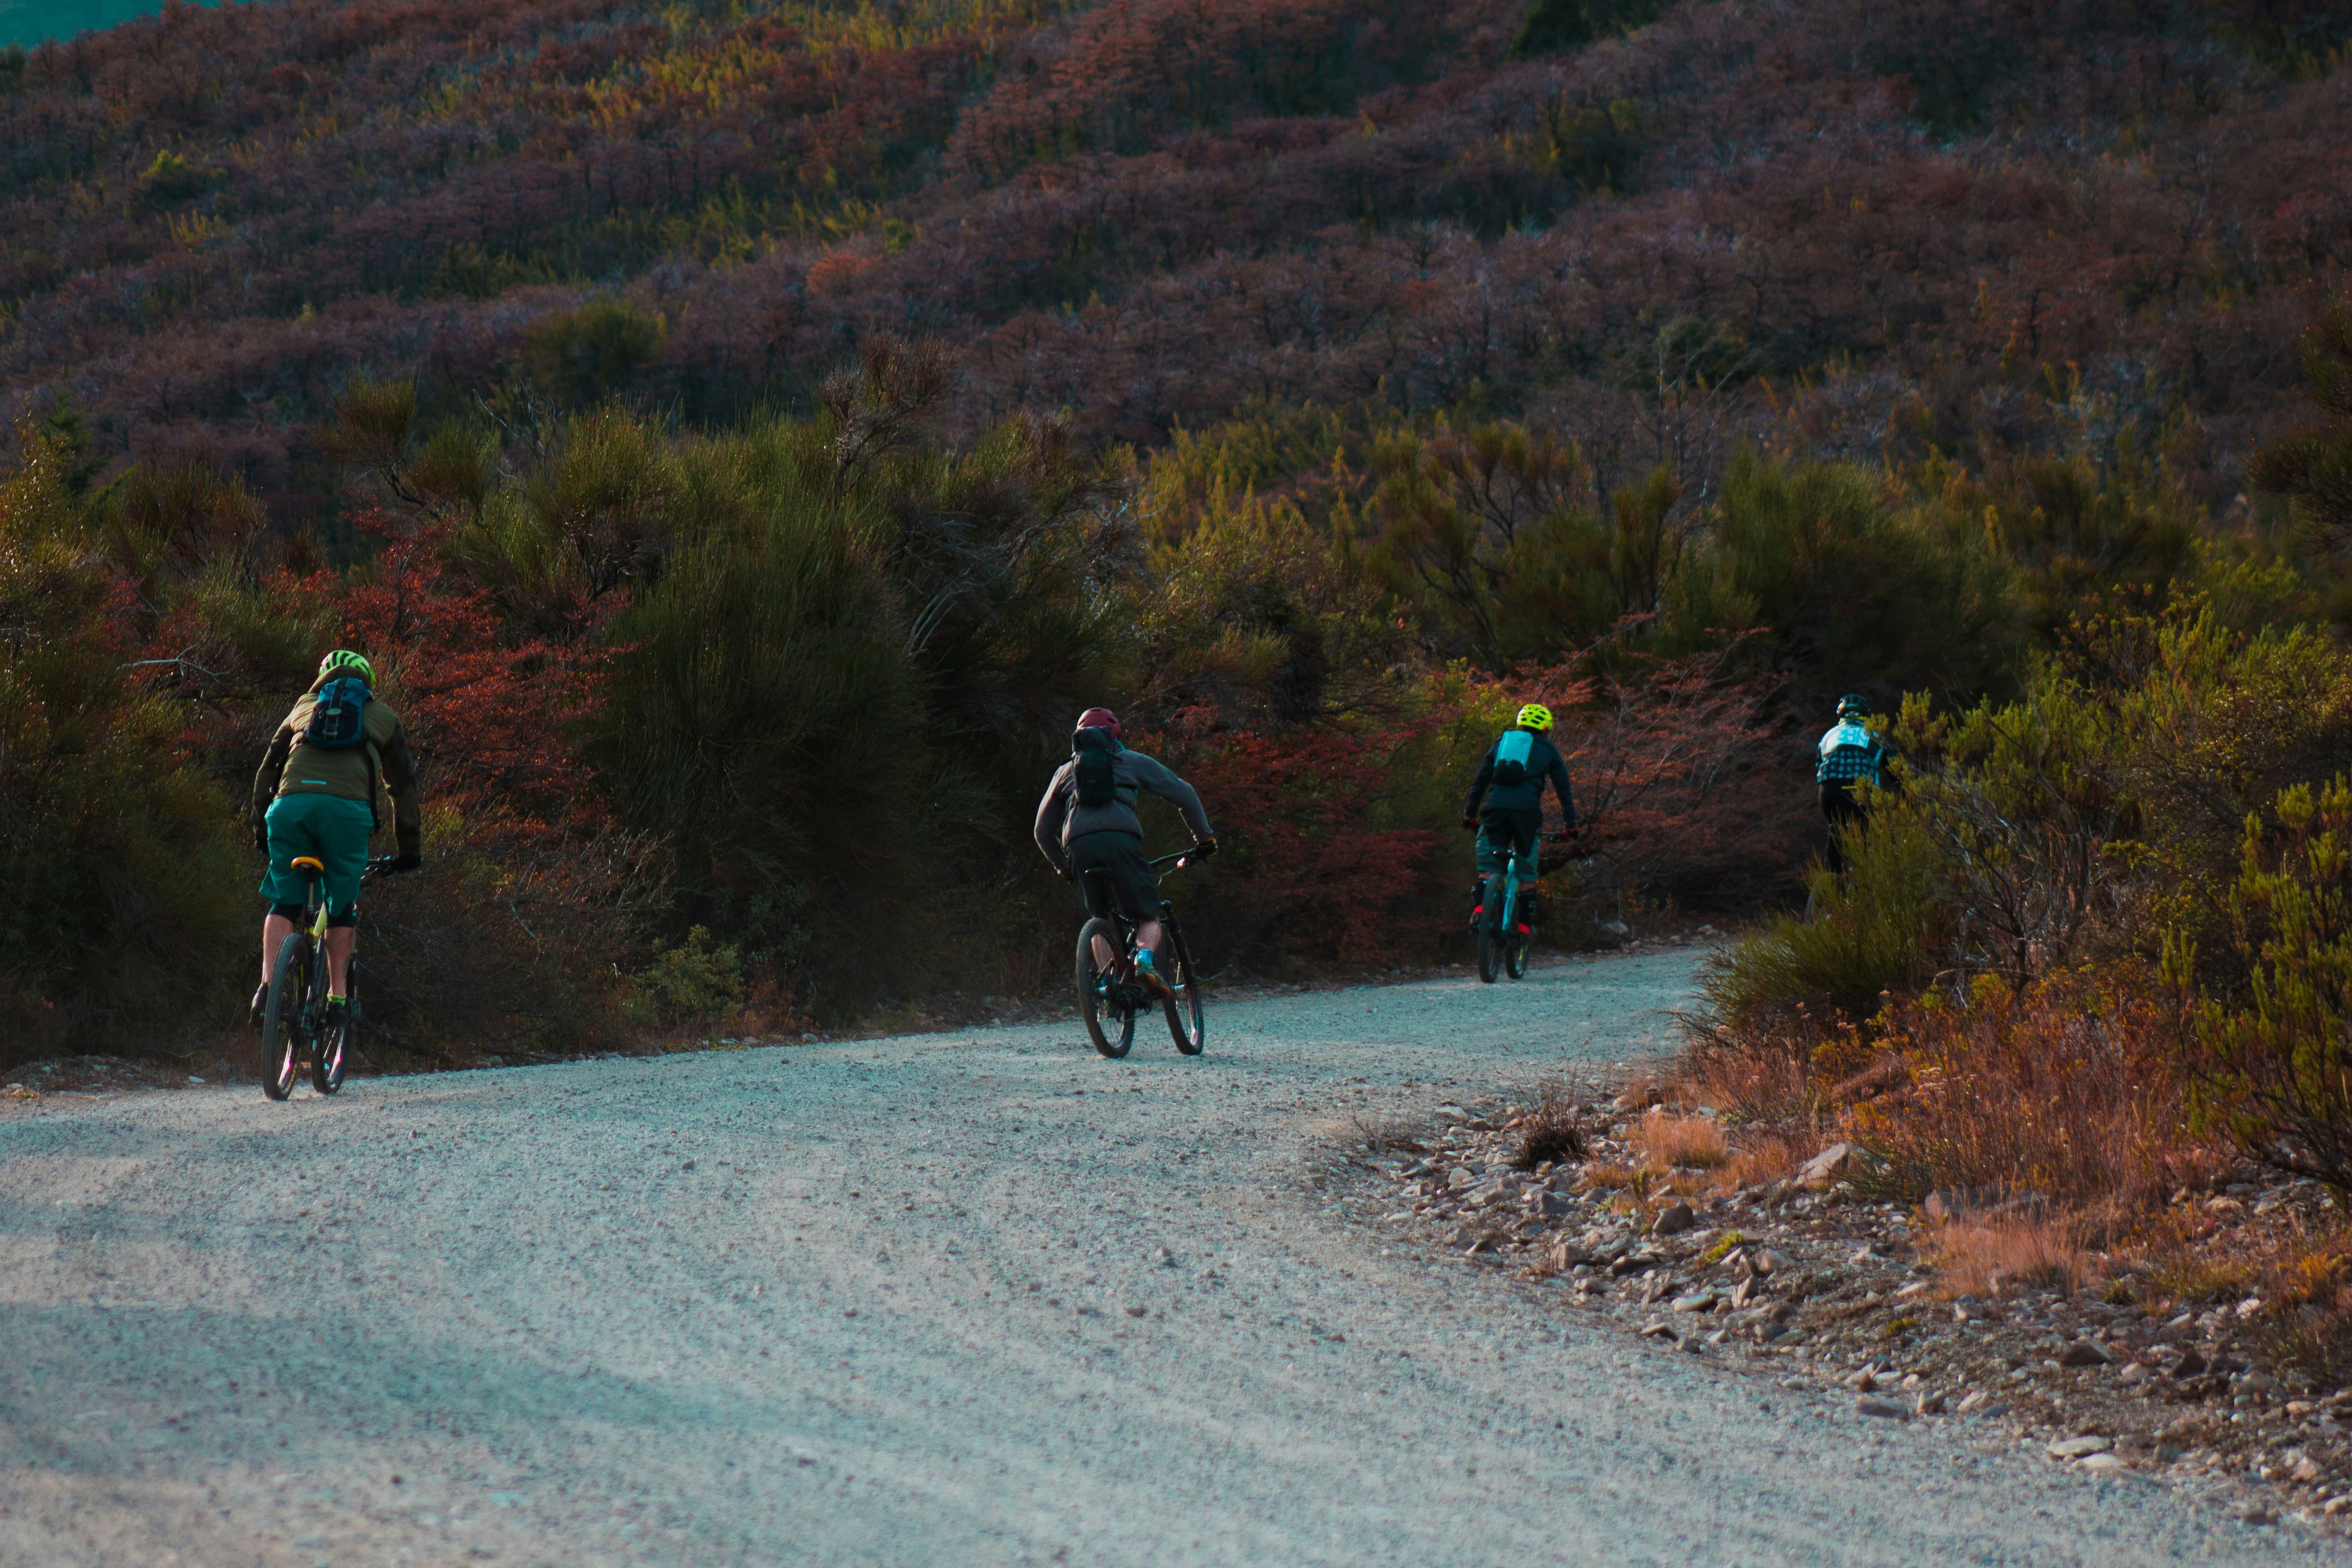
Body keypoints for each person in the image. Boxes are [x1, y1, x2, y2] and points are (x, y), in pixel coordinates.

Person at [248, 650, 422, 1024]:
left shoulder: (303, 707)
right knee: (341, 906)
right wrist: (409, 850)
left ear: (322, 679)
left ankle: (267, 990)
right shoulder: (383, 716)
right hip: (346, 815)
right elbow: (402, 785)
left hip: (290, 809)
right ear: (368, 684)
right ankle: (339, 999)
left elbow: (267, 771)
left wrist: (263, 829)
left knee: (284, 901)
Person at [1034, 707, 1216, 994]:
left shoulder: (1064, 773)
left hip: (1079, 845)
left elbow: (1042, 832)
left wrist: (1064, 866)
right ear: (1115, 736)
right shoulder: (1132, 761)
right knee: (1149, 915)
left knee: (1100, 917)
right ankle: (1144, 961)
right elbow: (1185, 795)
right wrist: (1204, 840)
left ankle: (1107, 988)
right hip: (1122, 841)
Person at [1461, 703, 1576, 932]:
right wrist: (1570, 826)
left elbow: (1480, 781)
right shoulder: (1548, 748)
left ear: (1520, 725)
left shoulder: (1502, 742)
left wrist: (1470, 815)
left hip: (1495, 810)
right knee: (1526, 876)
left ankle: (1479, 912)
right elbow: (1564, 789)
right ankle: (1524, 929)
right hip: (1527, 814)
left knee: (1487, 869)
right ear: (1545, 729)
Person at [1816, 692, 1889, 873]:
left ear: (1840, 715)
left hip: (1829, 790)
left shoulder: (1828, 736)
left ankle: (1832, 883)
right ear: (1866, 715)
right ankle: (1862, 878)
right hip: (1861, 788)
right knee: (1865, 832)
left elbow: (1818, 767)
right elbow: (1893, 765)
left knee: (1835, 832)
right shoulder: (1873, 735)